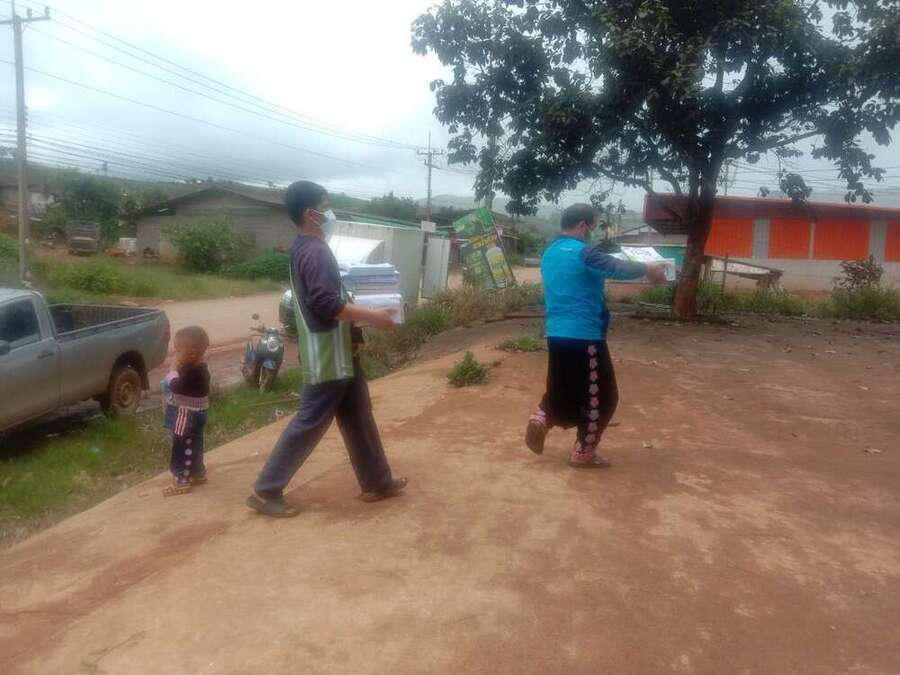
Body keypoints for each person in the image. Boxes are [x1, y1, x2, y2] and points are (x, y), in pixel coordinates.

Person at [246, 180, 407, 518]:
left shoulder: (307, 247)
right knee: (310, 421)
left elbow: (328, 298)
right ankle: (266, 490)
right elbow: (326, 304)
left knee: (358, 415)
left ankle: (377, 482)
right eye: (326, 205)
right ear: (311, 214)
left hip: (341, 351)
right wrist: (375, 317)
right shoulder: (315, 251)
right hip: (329, 354)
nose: (330, 212)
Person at [525, 204, 666, 468]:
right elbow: (615, 267)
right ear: (583, 225)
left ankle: (542, 417)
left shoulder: (550, 253)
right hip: (585, 336)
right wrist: (648, 269)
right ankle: (584, 452)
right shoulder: (584, 252)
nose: (593, 231)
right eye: (593, 226)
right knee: (602, 397)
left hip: (556, 333)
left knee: (564, 387)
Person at [161, 326, 211, 496]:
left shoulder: (191, 372)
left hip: (186, 414)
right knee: (195, 442)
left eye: (177, 350)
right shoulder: (201, 369)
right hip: (199, 413)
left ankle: (181, 478)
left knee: (181, 444)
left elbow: (175, 386)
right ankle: (197, 472)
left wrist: (172, 371)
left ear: (191, 352)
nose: (175, 354)